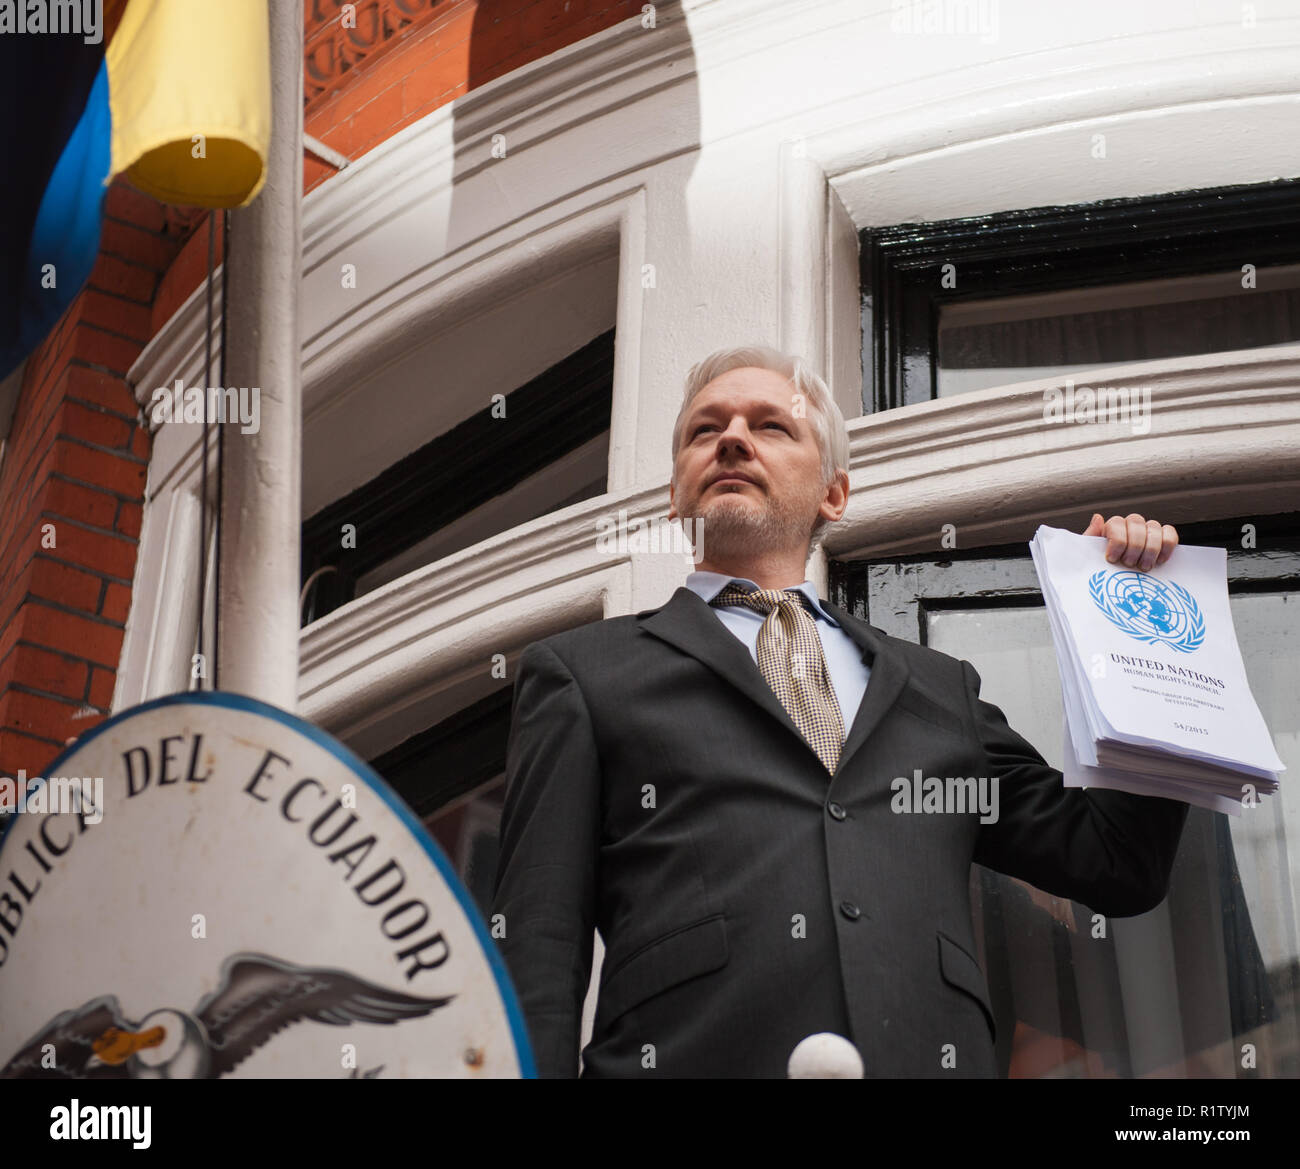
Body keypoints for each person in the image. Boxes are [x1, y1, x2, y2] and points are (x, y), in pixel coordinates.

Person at [490, 344, 1189, 1078]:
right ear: (675, 494)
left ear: (834, 494)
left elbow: (1117, 862)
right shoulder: (582, 673)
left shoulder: (937, 687)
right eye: (705, 430)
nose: (731, 438)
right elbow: (536, 946)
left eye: (771, 426)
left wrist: (1136, 634)